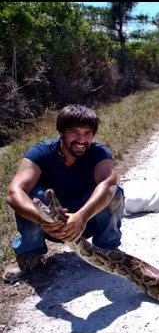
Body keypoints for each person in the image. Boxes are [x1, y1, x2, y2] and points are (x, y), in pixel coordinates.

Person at [3, 105, 124, 283]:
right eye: (74, 132)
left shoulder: (99, 153)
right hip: (48, 223)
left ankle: (107, 250)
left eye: (88, 133)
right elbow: (14, 193)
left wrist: (82, 216)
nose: (81, 139)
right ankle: (29, 255)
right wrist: (41, 218)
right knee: (33, 196)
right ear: (62, 132)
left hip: (85, 220)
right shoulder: (41, 152)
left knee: (115, 193)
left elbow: (108, 185)